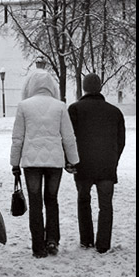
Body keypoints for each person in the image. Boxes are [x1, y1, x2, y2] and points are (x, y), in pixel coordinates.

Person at [10, 69, 79, 258]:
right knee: (52, 200)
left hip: (31, 162)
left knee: (35, 202)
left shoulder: (23, 106)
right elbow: (68, 137)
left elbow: (18, 138)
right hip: (54, 162)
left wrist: (14, 163)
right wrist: (73, 160)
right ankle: (52, 241)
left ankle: (37, 247)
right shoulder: (60, 106)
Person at [68, 73, 126, 254]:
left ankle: (86, 240)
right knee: (106, 205)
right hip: (106, 165)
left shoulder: (75, 109)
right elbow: (121, 140)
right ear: (100, 88)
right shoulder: (114, 112)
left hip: (82, 164)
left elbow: (69, 138)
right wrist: (113, 159)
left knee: (83, 200)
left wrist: (70, 162)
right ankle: (103, 244)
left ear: (84, 88)